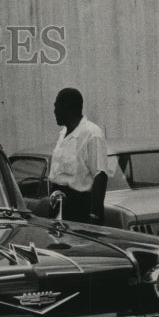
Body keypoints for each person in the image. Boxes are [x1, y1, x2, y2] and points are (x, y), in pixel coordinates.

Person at [46, 87, 108, 224]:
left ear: (68, 107)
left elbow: (100, 175)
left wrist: (94, 216)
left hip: (79, 208)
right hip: (58, 206)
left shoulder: (91, 134)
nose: (54, 111)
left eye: (57, 106)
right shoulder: (63, 133)